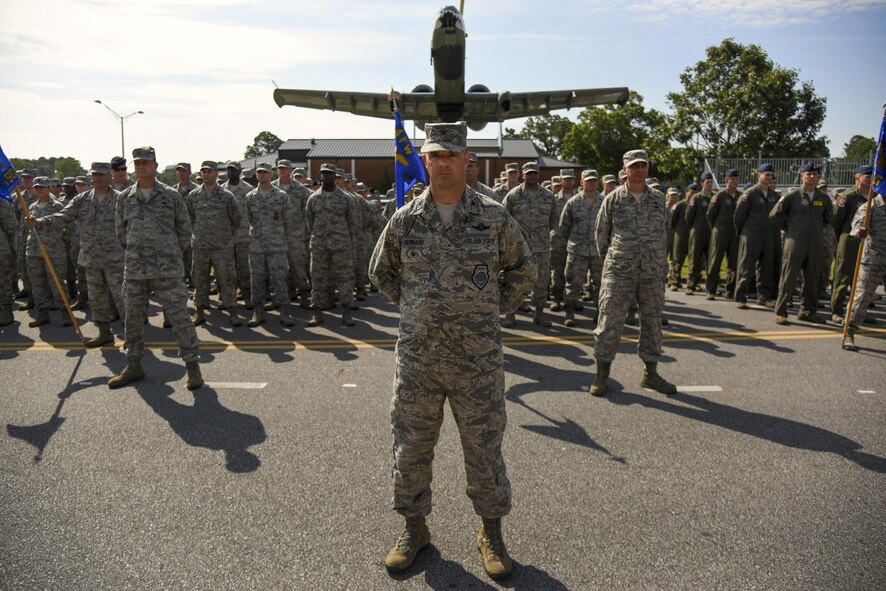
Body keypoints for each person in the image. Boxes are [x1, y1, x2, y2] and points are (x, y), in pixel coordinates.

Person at [369, 122, 535, 580]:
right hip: (419, 363)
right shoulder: (405, 219)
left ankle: (491, 533)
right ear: (425, 160)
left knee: (484, 451)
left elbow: (523, 272)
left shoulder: (494, 217)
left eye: (451, 155)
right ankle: (414, 528)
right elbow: (380, 273)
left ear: (467, 162)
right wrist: (417, 312)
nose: (443, 163)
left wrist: (485, 312)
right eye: (435, 155)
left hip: (476, 364)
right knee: (410, 449)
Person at [111, 147, 202, 390]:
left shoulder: (171, 196)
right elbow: (121, 232)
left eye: (146, 162)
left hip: (167, 270)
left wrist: (170, 253)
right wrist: (136, 252)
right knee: (132, 319)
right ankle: (133, 365)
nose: (141, 166)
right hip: (136, 270)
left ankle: (192, 366)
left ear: (156, 165)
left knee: (180, 318)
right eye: (137, 162)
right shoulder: (125, 197)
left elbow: (185, 230)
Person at [590, 150, 675, 398]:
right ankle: (602, 374)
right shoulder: (613, 199)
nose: (639, 170)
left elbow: (664, 233)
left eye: (643, 166)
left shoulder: (659, 199)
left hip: (651, 271)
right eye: (634, 166)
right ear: (625, 170)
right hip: (618, 271)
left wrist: (660, 262)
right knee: (609, 322)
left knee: (652, 322)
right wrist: (616, 260)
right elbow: (601, 236)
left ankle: (651, 373)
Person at [27, 162, 126, 346]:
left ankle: (132, 337)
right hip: (91, 258)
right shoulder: (82, 200)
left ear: (110, 176)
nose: (97, 178)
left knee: (122, 298)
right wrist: (39, 222)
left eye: (102, 175)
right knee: (97, 299)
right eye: (95, 175)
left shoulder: (121, 199)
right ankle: (104, 333)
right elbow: (63, 216)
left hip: (115, 259)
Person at [769, 163, 832, 324]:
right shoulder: (792, 196)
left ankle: (808, 311)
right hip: (795, 242)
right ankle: (781, 311)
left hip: (815, 243)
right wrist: (791, 229)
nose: (812, 177)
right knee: (788, 276)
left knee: (812, 278)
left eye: (815, 174)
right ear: (802, 175)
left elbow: (828, 219)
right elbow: (775, 215)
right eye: (809, 174)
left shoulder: (824, 198)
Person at [501, 161, 558, 327]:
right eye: (529, 173)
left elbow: (555, 220)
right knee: (515, 281)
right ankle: (510, 315)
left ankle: (539, 314)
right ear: (523, 175)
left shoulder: (548, 196)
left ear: (538, 174)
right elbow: (504, 220)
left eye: (535, 173)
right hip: (519, 249)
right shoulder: (513, 196)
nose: (532, 176)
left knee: (541, 282)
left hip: (541, 248)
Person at [187, 161, 242, 327]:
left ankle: (233, 312)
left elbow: (236, 219)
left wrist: (224, 236)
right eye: (203, 171)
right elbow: (190, 218)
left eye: (209, 171)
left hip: (222, 246)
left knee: (227, 279)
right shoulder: (194, 196)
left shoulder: (226, 196)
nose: (206, 174)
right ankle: (200, 312)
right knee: (200, 279)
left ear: (216, 174)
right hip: (201, 246)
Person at [305, 164, 360, 326]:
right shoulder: (313, 198)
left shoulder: (346, 198)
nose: (325, 177)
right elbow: (310, 221)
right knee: (317, 278)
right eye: (323, 174)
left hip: (341, 245)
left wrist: (345, 239)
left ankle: (346, 312)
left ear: (335, 176)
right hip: (319, 244)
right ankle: (317, 311)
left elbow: (353, 223)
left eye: (329, 174)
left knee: (345, 277)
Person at [245, 162, 295, 327]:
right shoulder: (250, 197)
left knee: (279, 279)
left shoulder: (281, 196)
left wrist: (279, 238)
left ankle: (285, 312)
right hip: (257, 247)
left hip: (276, 246)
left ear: (271, 175)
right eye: (260, 173)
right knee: (257, 280)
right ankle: (258, 313)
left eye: (265, 173)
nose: (263, 175)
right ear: (256, 175)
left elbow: (288, 221)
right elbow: (248, 220)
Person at [842, 187, 886, 350]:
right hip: (872, 261)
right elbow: (856, 227)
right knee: (860, 299)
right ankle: (849, 333)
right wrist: (860, 232)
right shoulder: (869, 207)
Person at [560, 169, 604, 326]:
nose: (591, 184)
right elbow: (564, 226)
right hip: (578, 250)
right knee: (573, 282)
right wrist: (573, 243)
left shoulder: (604, 202)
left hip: (598, 251)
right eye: (588, 181)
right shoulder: (573, 202)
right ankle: (570, 313)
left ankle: (599, 313)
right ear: (581, 183)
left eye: (594, 181)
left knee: (601, 283)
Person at [734, 164, 779, 308]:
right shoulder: (749, 194)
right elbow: (738, 216)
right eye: (766, 174)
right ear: (758, 175)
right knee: (746, 266)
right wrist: (743, 233)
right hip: (751, 234)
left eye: (771, 175)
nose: (769, 177)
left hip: (768, 235)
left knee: (766, 268)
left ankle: (764, 297)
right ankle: (741, 296)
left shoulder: (774, 196)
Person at [831, 166, 872, 321]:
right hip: (849, 242)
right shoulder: (847, 197)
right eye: (866, 177)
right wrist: (844, 239)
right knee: (843, 278)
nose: (869, 180)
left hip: (868, 244)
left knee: (863, 281)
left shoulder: (876, 197)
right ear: (857, 178)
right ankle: (837, 311)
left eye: (871, 177)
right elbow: (836, 221)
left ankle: (858, 312)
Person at [705, 169, 740, 299]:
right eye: (732, 179)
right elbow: (710, 214)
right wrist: (716, 228)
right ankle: (711, 290)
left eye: (737, 179)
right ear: (726, 181)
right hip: (720, 232)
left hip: (735, 233)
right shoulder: (719, 196)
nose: (735, 181)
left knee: (734, 263)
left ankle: (730, 290)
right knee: (715, 262)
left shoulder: (740, 196)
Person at [685, 172, 713, 294]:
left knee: (711, 261)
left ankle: (710, 287)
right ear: (702, 183)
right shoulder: (696, 198)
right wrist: (694, 229)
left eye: (711, 183)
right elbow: (688, 217)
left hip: (711, 233)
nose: (709, 185)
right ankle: (691, 285)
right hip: (697, 232)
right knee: (694, 259)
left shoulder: (715, 197)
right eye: (707, 182)